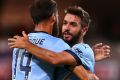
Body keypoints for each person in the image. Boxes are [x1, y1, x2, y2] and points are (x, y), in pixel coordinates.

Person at [8, 5, 110, 80]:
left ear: (84, 30)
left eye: (73, 24)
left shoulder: (81, 49)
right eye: (65, 23)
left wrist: (28, 45)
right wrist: (90, 59)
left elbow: (55, 58)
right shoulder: (61, 48)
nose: (66, 28)